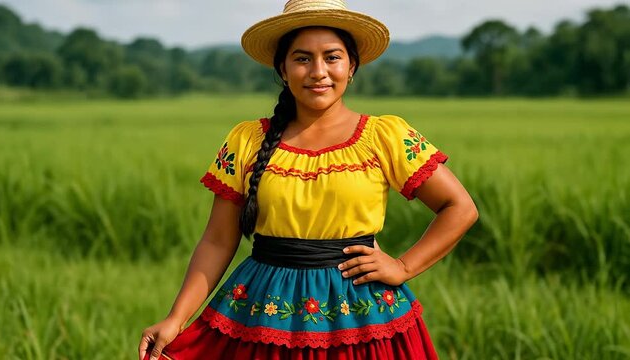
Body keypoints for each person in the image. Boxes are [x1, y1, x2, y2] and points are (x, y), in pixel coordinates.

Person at [139, 1, 478, 359]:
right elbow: (218, 240)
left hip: (360, 315)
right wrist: (177, 318)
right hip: (263, 314)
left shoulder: (385, 135)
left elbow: (460, 207)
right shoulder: (247, 140)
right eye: (302, 59)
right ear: (283, 70)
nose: (318, 71)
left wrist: (404, 266)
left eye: (332, 57)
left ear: (352, 67)